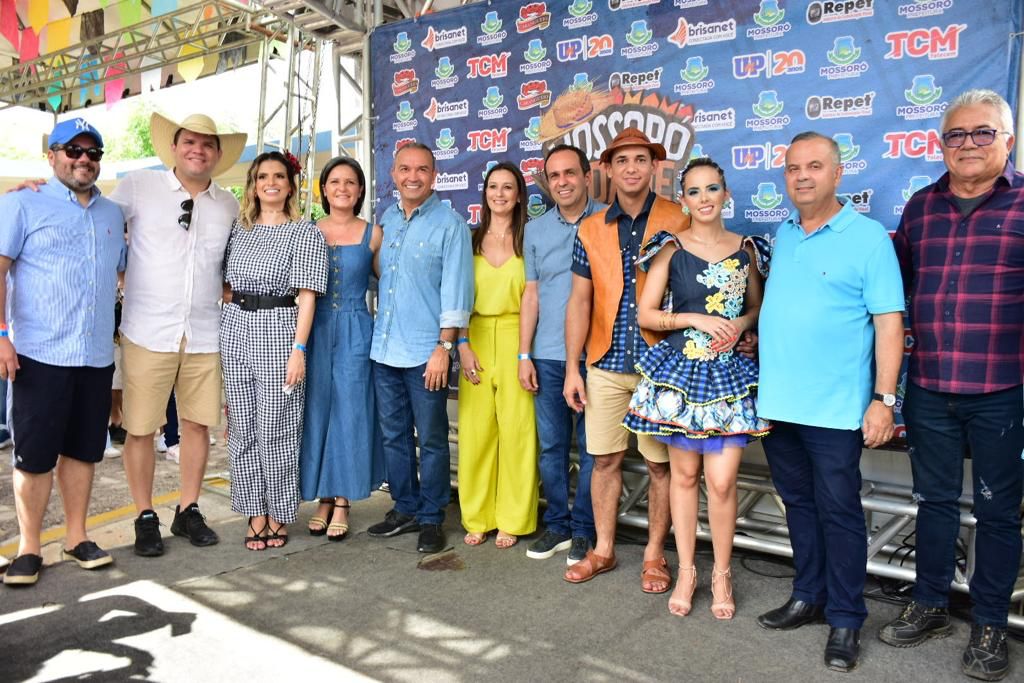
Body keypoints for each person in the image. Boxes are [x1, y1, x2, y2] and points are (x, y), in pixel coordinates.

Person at [879, 89, 1024, 682]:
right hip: (931, 387)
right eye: (956, 135)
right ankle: (931, 603)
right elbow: (894, 291)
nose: (967, 145)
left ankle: (990, 622)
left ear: (1007, 140)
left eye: (982, 133)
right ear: (941, 144)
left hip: (1002, 390)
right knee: (932, 502)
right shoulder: (920, 207)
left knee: (997, 512)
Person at [755, 132, 905, 672]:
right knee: (797, 504)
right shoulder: (785, 232)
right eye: (793, 168)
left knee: (840, 513)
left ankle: (845, 618)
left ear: (837, 174)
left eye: (814, 166)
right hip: (778, 403)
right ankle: (808, 595)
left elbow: (889, 322)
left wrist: (883, 400)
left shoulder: (868, 238)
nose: (801, 177)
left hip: (836, 409)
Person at [624, 157, 770, 619]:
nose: (704, 199)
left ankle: (721, 573)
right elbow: (647, 314)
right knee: (683, 477)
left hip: (728, 374)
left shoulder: (747, 249)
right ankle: (687, 569)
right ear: (682, 199)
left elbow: (756, 309)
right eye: (694, 191)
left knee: (722, 481)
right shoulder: (670, 248)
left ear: (726, 194)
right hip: (682, 375)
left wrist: (742, 325)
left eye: (712, 189)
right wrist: (691, 318)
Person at [111, 113, 246, 557]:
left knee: (197, 425)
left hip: (206, 332)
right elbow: (94, 219)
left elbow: (232, 265)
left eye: (208, 144)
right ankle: (145, 514)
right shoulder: (138, 186)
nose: (198, 150)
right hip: (149, 329)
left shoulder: (227, 204)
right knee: (141, 427)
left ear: (218, 154)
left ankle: (188, 508)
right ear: (174, 145)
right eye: (190, 141)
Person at [562, 127, 689, 590]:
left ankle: (655, 555)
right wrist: (573, 367)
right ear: (609, 169)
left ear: (654, 165)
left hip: (662, 365)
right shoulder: (590, 228)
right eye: (622, 161)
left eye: (640, 159)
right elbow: (579, 301)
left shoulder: (681, 218)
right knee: (604, 461)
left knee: (661, 466)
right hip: (606, 363)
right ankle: (603, 550)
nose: (631, 168)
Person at [0, 118, 126, 586]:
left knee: (82, 451)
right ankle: (28, 547)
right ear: (52, 155)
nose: (83, 159)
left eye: (93, 153)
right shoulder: (21, 204)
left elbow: (125, 274)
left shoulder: (113, 214)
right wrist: (0, 336)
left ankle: (76, 536)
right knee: (33, 455)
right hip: (38, 353)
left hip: (94, 356)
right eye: (73, 150)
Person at [367, 142, 473, 554]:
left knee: (430, 438)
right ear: (393, 174)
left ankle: (431, 517)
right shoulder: (387, 221)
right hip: (384, 349)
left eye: (422, 169)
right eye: (405, 169)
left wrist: (443, 348)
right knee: (393, 435)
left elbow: (457, 293)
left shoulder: (451, 225)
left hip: (426, 352)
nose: (413, 176)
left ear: (435, 175)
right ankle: (405, 507)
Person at [222, 151, 327, 550]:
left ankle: (279, 511)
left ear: (290, 184)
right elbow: (224, 282)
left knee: (277, 427)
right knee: (242, 426)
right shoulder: (239, 229)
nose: (271, 182)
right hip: (234, 327)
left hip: (280, 329)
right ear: (252, 184)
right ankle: (255, 511)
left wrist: (299, 349)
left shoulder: (304, 231)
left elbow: (307, 297)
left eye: (278, 176)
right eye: (262, 176)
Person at [521, 145, 604, 564]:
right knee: (551, 446)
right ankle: (557, 524)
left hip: (598, 356)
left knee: (594, 449)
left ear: (586, 176)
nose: (563, 182)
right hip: (548, 356)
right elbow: (531, 295)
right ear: (547, 183)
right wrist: (523, 354)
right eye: (554, 176)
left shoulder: (609, 220)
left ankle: (585, 531)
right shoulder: (535, 230)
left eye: (570, 173)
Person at [299, 156, 385, 540]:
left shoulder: (373, 234)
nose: (343, 188)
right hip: (314, 330)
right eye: (335, 181)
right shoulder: (308, 232)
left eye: (351, 182)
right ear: (324, 188)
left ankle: (344, 499)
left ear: (360, 190)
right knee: (317, 410)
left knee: (350, 412)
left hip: (355, 329)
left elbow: (388, 286)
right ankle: (323, 496)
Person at [458, 162, 538, 548]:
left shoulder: (529, 242)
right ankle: (477, 516)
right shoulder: (469, 241)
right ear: (485, 193)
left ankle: (513, 518)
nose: (500, 193)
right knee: (476, 433)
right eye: (493, 186)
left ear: (519, 194)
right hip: (473, 337)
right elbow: (454, 299)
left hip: (515, 337)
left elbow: (533, 300)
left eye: (508, 187)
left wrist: (525, 354)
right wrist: (462, 345)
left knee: (518, 432)